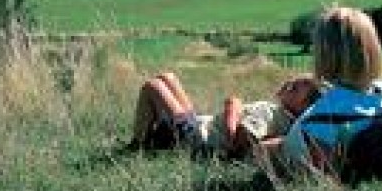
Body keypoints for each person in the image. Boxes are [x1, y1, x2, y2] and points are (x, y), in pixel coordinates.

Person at [253, 5, 382, 178]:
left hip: (298, 154)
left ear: (325, 55)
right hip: (354, 147)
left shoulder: (329, 109)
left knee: (260, 150)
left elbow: (322, 167)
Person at [125, 71, 320, 159]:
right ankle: (150, 136)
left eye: (294, 89)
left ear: (300, 108)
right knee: (168, 78)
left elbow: (244, 135)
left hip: (198, 137)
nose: (287, 85)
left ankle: (138, 144)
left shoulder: (273, 113)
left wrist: (232, 116)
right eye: (291, 82)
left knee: (153, 86)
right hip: (202, 125)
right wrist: (233, 107)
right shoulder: (281, 117)